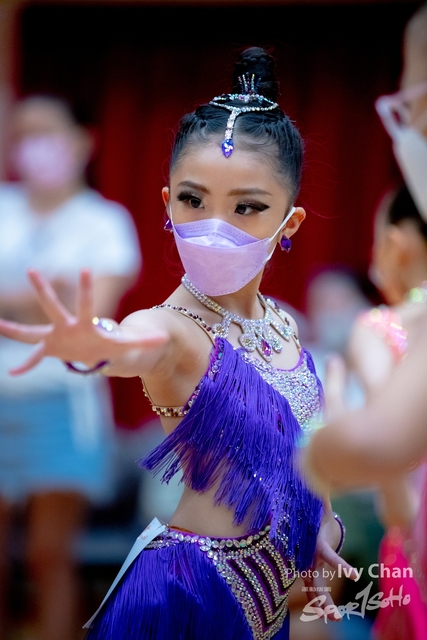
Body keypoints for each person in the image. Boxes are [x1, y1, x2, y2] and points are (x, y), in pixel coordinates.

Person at [0, 49, 353, 640]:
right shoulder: (174, 327)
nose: (215, 224)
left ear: (288, 223)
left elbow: (292, 452)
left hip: (265, 609)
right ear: (167, 204)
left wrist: (317, 520)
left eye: (247, 207)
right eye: (194, 199)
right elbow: (135, 342)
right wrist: (95, 343)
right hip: (186, 596)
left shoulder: (283, 326)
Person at [0, 95, 142, 640]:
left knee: (48, 553)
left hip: (64, 399)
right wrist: (51, 293)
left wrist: (16, 300)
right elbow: (63, 306)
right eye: (23, 134)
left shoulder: (104, 222)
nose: (33, 146)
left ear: (83, 141)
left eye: (47, 132)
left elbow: (88, 321)